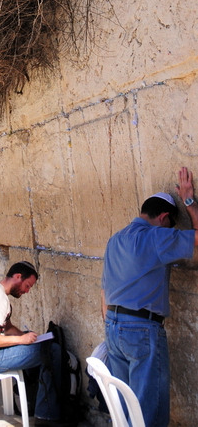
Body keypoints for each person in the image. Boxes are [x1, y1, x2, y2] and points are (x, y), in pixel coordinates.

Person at [101, 166, 198, 427]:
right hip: (142, 330)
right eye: (171, 226)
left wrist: (110, 326)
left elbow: (104, 291)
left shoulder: (115, 240)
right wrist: (189, 201)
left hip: (113, 325)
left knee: (124, 408)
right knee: (148, 412)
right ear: (164, 217)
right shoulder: (156, 237)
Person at [0, 261, 65, 427]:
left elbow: (8, 327)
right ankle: (46, 416)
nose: (27, 291)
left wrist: (26, 336)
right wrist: (21, 340)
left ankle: (38, 404)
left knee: (43, 346)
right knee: (52, 351)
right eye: (27, 286)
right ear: (18, 276)